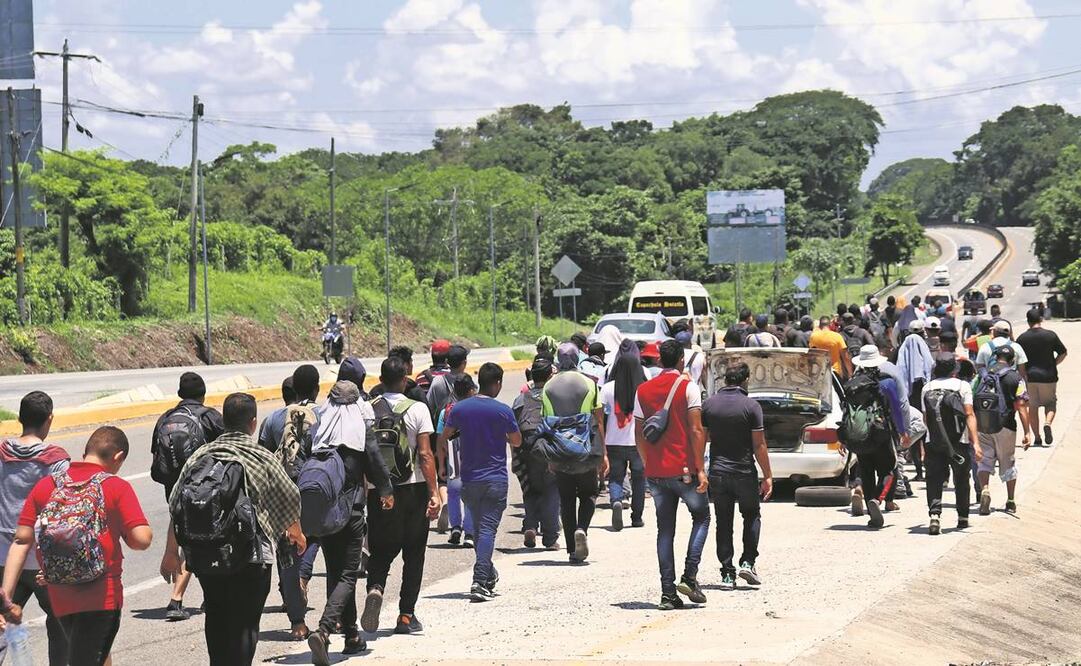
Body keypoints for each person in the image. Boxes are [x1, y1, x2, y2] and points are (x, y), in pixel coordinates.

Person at [163, 393, 305, 666]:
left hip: (207, 555)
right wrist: (296, 533)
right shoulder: (261, 456)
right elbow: (290, 496)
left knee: (216, 615)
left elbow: (176, 503)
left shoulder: (201, 455)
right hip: (250, 557)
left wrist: (171, 552)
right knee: (246, 623)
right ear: (253, 423)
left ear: (224, 421)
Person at [5, 426, 152, 666]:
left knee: (91, 655)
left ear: (85, 452)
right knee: (88, 657)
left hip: (60, 593)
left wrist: (6, 596)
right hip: (102, 597)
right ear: (118, 457)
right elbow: (142, 540)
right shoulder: (116, 487)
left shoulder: (47, 486)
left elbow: (21, 541)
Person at [306, 375, 393, 662]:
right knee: (348, 574)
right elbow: (376, 462)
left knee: (337, 573)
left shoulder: (318, 432)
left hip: (324, 515)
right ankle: (324, 630)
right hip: (352, 513)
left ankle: (352, 635)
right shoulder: (359, 431)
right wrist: (386, 491)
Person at [361, 357, 440, 637]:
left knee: (380, 549)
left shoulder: (367, 409)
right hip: (413, 489)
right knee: (414, 553)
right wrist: (434, 492)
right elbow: (425, 454)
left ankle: (375, 588)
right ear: (406, 379)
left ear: (381, 380)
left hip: (380, 490)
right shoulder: (417, 408)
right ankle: (406, 615)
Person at [634, 340, 710, 610]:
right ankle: (689, 576)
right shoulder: (688, 388)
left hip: (656, 472)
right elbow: (696, 430)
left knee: (665, 531)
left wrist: (648, 463)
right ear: (680, 360)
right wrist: (701, 469)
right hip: (684, 470)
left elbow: (638, 433)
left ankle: (667, 594)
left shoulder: (643, 390)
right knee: (702, 517)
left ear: (659, 361)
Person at [438, 363, 522, 602]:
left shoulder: (460, 409)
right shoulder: (503, 411)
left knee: (477, 530)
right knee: (486, 530)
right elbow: (517, 441)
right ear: (497, 383)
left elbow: (444, 437)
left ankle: (488, 572)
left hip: (469, 478)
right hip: (495, 479)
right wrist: (500, 436)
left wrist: (445, 463)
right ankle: (479, 580)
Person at [0, 391, 70, 663]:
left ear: (20, 418)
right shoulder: (57, 461)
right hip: (41, 560)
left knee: (3, 620)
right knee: (61, 622)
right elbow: (62, 512)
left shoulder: (2, 454)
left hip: (4, 557)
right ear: (49, 419)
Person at [150, 371, 224, 622]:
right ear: (203, 394)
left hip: (174, 489)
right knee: (201, 541)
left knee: (189, 536)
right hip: (204, 489)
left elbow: (156, 460)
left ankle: (194, 595)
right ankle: (177, 598)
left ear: (180, 394)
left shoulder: (165, 418)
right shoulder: (210, 417)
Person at [702, 362, 773, 590]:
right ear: (746, 380)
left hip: (718, 472)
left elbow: (701, 438)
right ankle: (748, 562)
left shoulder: (709, 405)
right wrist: (768, 475)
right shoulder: (751, 406)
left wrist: (698, 469)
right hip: (744, 471)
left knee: (723, 522)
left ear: (725, 380)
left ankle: (727, 574)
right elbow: (759, 445)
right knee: (751, 515)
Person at [256, 375, 315, 639]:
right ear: (315, 389)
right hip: (315, 491)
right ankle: (336, 619)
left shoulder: (272, 420)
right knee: (318, 539)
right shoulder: (321, 415)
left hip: (283, 495)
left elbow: (263, 457)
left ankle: (297, 623)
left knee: (288, 554)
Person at [543, 343, 609, 563]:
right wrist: (603, 453)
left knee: (567, 499)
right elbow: (599, 420)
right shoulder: (589, 383)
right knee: (589, 494)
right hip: (585, 448)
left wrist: (550, 456)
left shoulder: (548, 386)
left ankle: (572, 548)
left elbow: (547, 423)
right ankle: (582, 529)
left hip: (561, 450)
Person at [843, 346, 910, 528]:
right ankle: (878, 499)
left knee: (866, 472)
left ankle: (870, 504)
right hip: (882, 433)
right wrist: (903, 431)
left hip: (860, 435)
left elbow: (846, 411)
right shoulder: (887, 383)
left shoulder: (852, 384)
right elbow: (896, 408)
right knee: (889, 471)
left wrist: (845, 437)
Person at [921, 354, 982, 534]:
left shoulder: (927, 388)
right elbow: (969, 414)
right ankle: (962, 517)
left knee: (934, 478)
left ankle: (935, 515)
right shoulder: (963, 386)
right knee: (961, 478)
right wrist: (976, 443)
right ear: (954, 370)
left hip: (934, 441)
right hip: (959, 442)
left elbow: (926, 419)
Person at [511, 358, 561, 549]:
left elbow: (513, 427)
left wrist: (515, 455)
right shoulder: (555, 397)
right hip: (550, 450)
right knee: (551, 491)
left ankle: (531, 525)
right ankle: (550, 537)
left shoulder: (521, 399)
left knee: (530, 489)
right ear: (549, 376)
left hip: (526, 451)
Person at [976, 346, 1031, 516]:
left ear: (995, 357)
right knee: (1008, 462)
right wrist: (1027, 432)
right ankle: (1010, 500)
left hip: (983, 424)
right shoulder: (1016, 377)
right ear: (1012, 360)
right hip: (1005, 425)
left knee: (984, 462)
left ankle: (985, 489)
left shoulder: (983, 375)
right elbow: (1021, 406)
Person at [600, 340, 648, 531]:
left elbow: (601, 417)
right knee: (639, 480)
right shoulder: (644, 389)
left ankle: (616, 501)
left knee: (616, 477)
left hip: (613, 441)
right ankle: (637, 517)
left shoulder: (608, 388)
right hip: (638, 442)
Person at [1017, 308, 1067, 447]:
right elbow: (1063, 352)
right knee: (1050, 403)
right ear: (1040, 319)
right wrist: (1054, 363)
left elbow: (1019, 361)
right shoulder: (1050, 335)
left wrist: (1022, 376)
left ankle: (1037, 438)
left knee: (1033, 407)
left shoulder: (1022, 338)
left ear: (1028, 321)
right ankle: (1047, 423)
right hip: (1048, 376)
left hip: (1030, 377)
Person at [438, 376, 478, 548]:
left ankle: (455, 527)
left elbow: (440, 439)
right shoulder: (476, 410)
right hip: (472, 457)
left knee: (453, 493)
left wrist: (441, 464)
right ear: (471, 390)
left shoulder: (446, 411)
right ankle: (469, 533)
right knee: (470, 495)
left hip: (452, 458)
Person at [896, 320, 934, 409]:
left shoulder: (904, 345)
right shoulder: (923, 344)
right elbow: (930, 363)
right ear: (923, 333)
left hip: (907, 384)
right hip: (923, 383)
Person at [427, 344, 470, 421]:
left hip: (442, 426)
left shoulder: (438, 381)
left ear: (446, 362)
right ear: (464, 363)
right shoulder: (468, 382)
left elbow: (429, 406)